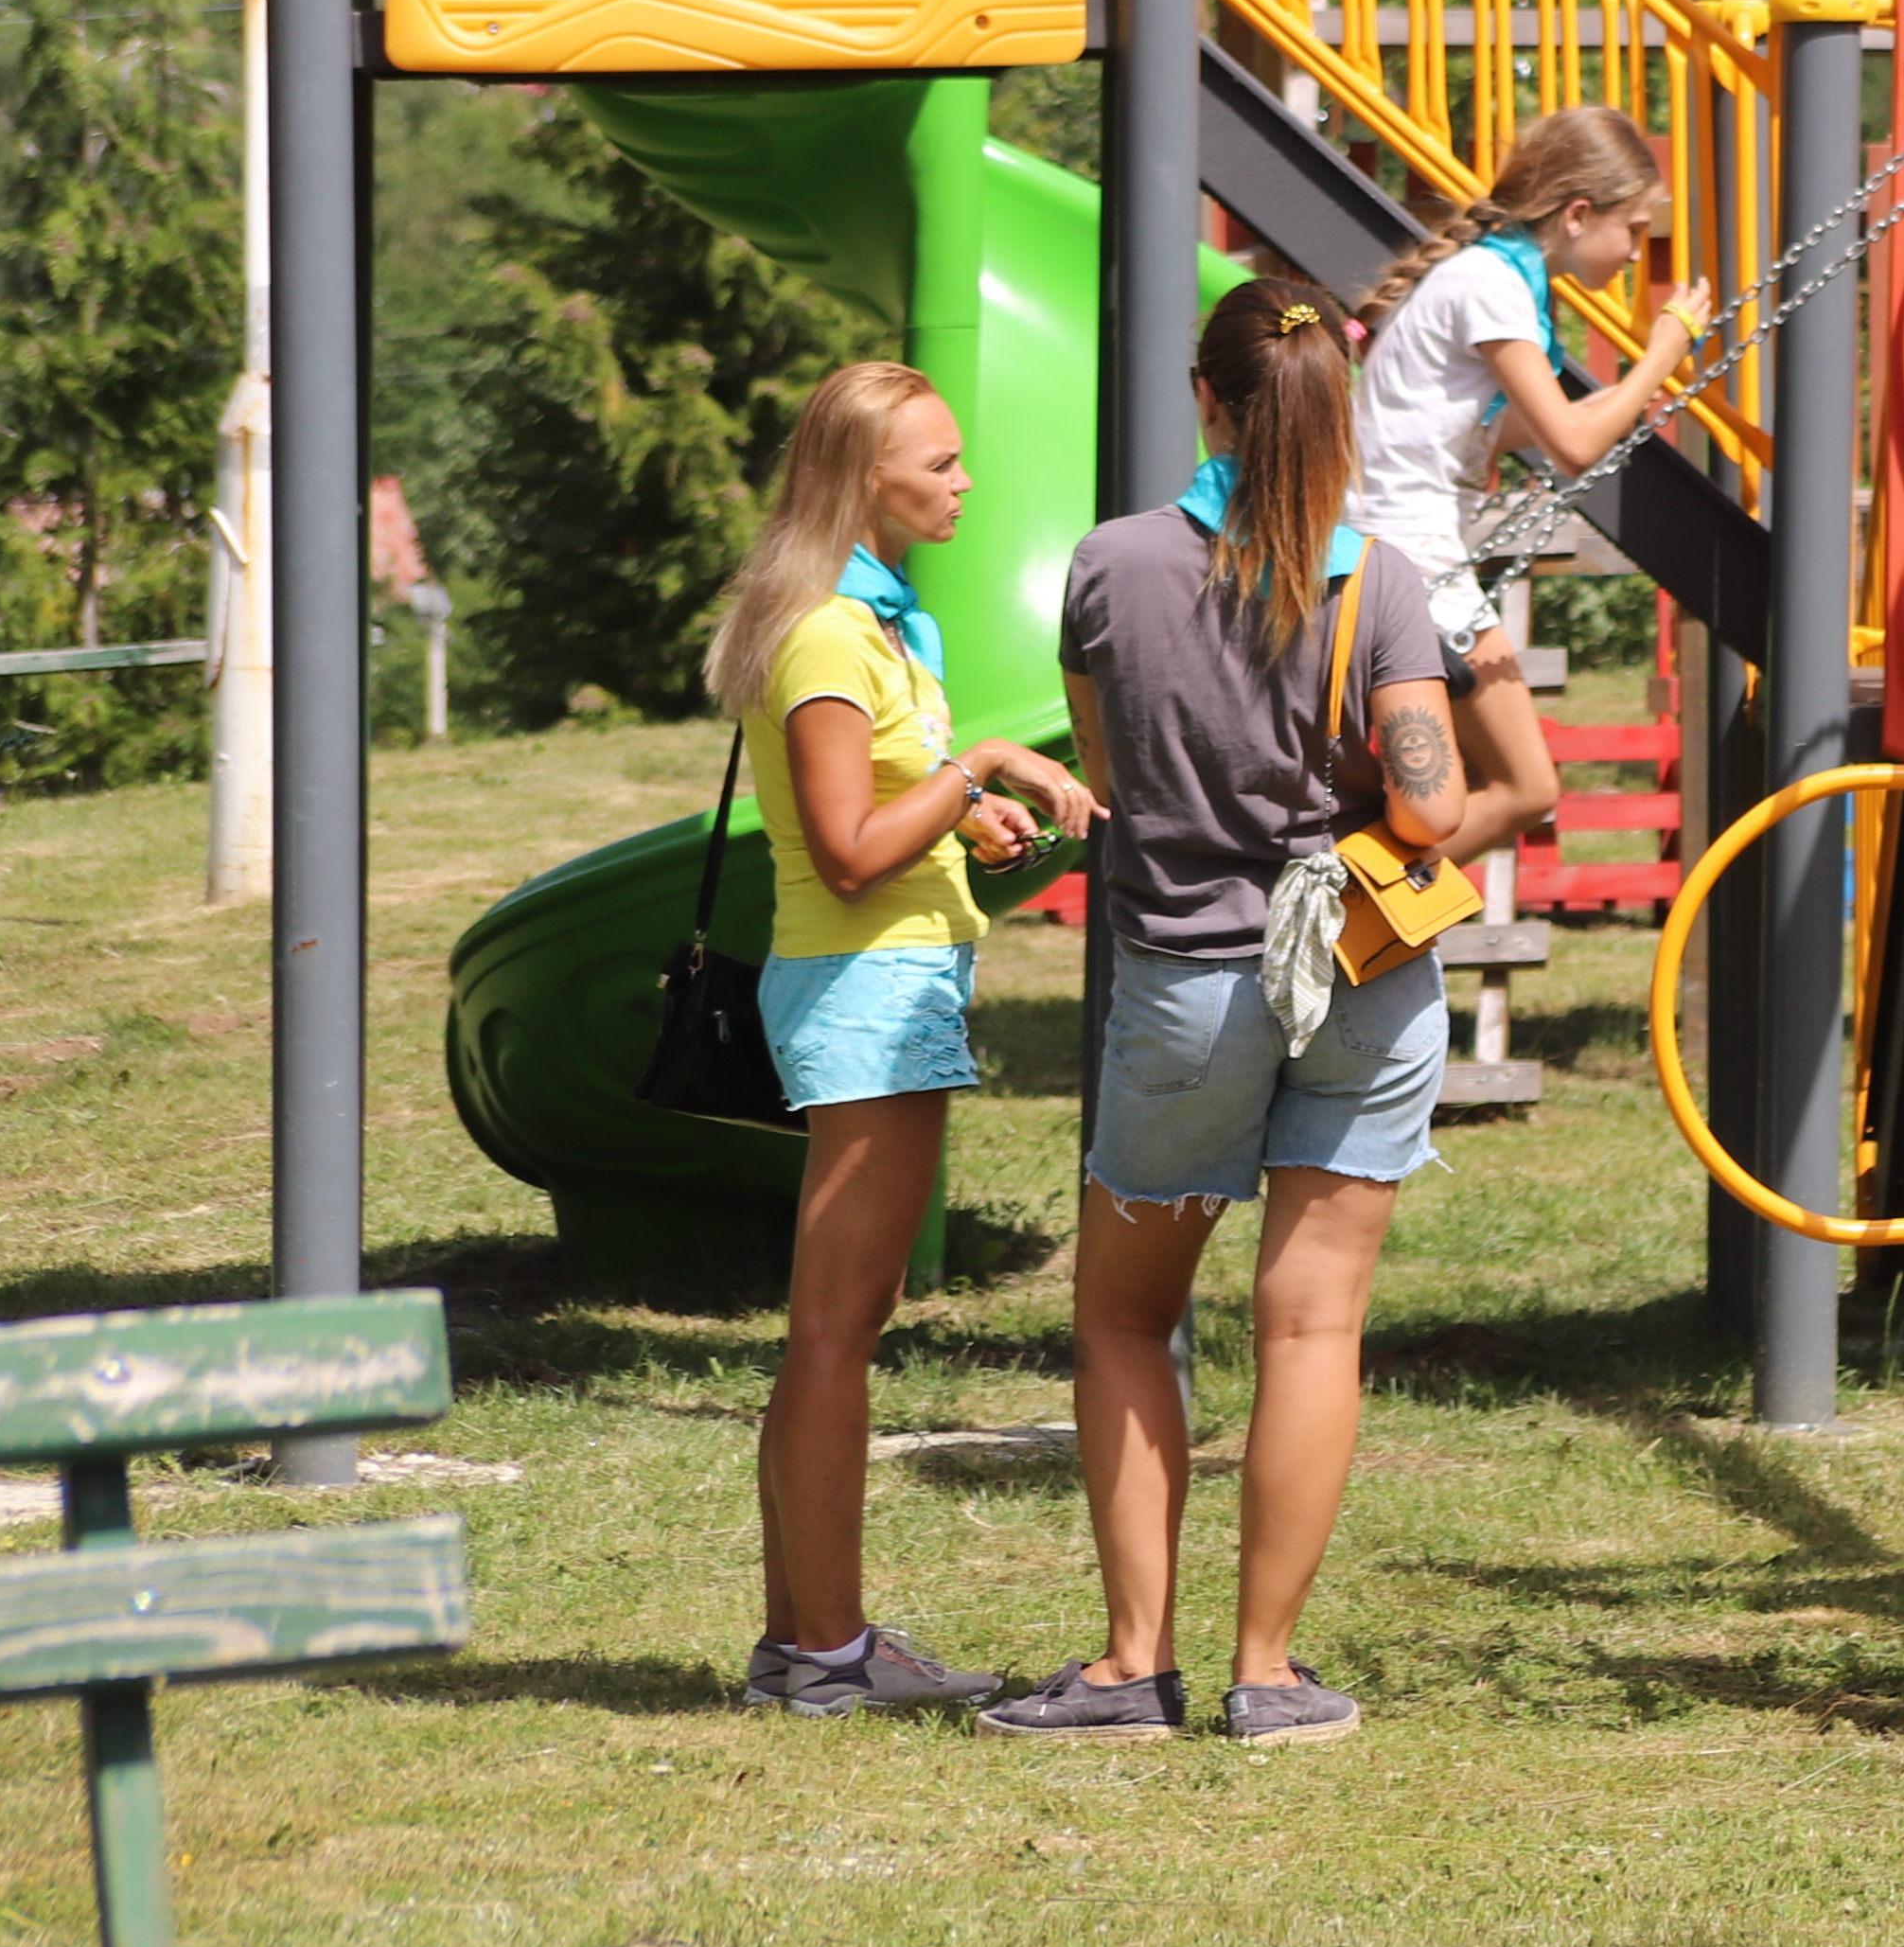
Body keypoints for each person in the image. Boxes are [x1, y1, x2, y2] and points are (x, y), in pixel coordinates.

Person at [984, 272, 1560, 1744]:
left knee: (1125, 1316)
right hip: (1364, 978)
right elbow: (1435, 811)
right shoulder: (1388, 582)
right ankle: (1269, 1673)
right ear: (1334, 411)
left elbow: (1110, 772)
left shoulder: (1110, 567)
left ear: (1204, 397)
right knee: (1311, 1332)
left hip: (1188, 981)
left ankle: (1129, 1666)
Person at [715, 359, 1099, 1718]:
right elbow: (846, 849)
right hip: (865, 992)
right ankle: (822, 1654)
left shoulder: (876, 629)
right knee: (833, 1334)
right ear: (861, 481)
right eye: (936, 465)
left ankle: (810, 1643)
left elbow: (888, 815)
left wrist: (961, 809)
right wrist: (982, 767)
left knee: (839, 1325)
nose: (964, 483)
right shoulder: (829, 634)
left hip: (891, 982)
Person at [1337, 106, 1716, 650]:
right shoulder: (1493, 286)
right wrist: (1659, 356)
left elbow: (1490, 430)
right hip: (1406, 548)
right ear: (1578, 215)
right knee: (1513, 741)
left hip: (1395, 540)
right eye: (1632, 229)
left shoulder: (1495, 273)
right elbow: (1573, 450)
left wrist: (1618, 398)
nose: (1637, 253)